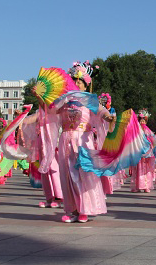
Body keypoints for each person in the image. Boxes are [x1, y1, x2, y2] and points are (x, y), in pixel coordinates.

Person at [33, 61, 115, 223]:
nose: (77, 84)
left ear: (86, 85)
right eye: (75, 81)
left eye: (80, 82)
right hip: (65, 140)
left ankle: (84, 209)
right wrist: (39, 96)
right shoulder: (63, 101)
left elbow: (103, 113)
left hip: (83, 141)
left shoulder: (91, 101)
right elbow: (48, 111)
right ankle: (74, 210)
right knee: (68, 176)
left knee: (83, 175)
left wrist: (109, 118)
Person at [131, 109, 156, 193]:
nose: (142, 122)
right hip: (138, 151)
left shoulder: (147, 130)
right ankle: (137, 185)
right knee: (138, 168)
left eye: (144, 120)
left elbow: (153, 139)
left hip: (147, 152)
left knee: (146, 169)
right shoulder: (136, 130)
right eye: (141, 120)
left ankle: (146, 186)